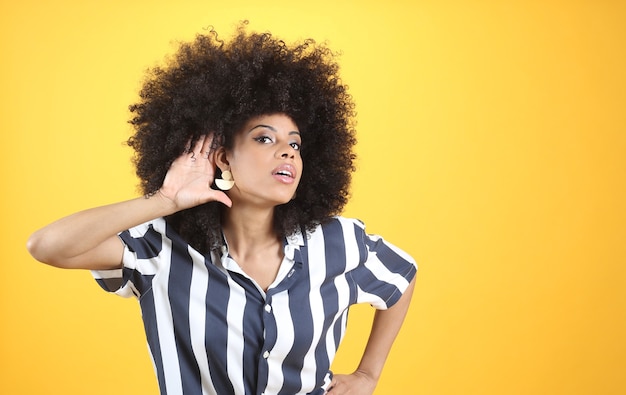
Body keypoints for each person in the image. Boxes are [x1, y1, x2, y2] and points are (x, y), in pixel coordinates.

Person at [27, 22, 417, 395]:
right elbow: (47, 246)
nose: (286, 151)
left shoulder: (341, 242)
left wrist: (368, 373)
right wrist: (164, 200)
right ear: (224, 160)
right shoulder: (160, 249)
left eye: (295, 144)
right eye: (264, 139)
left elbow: (403, 277)